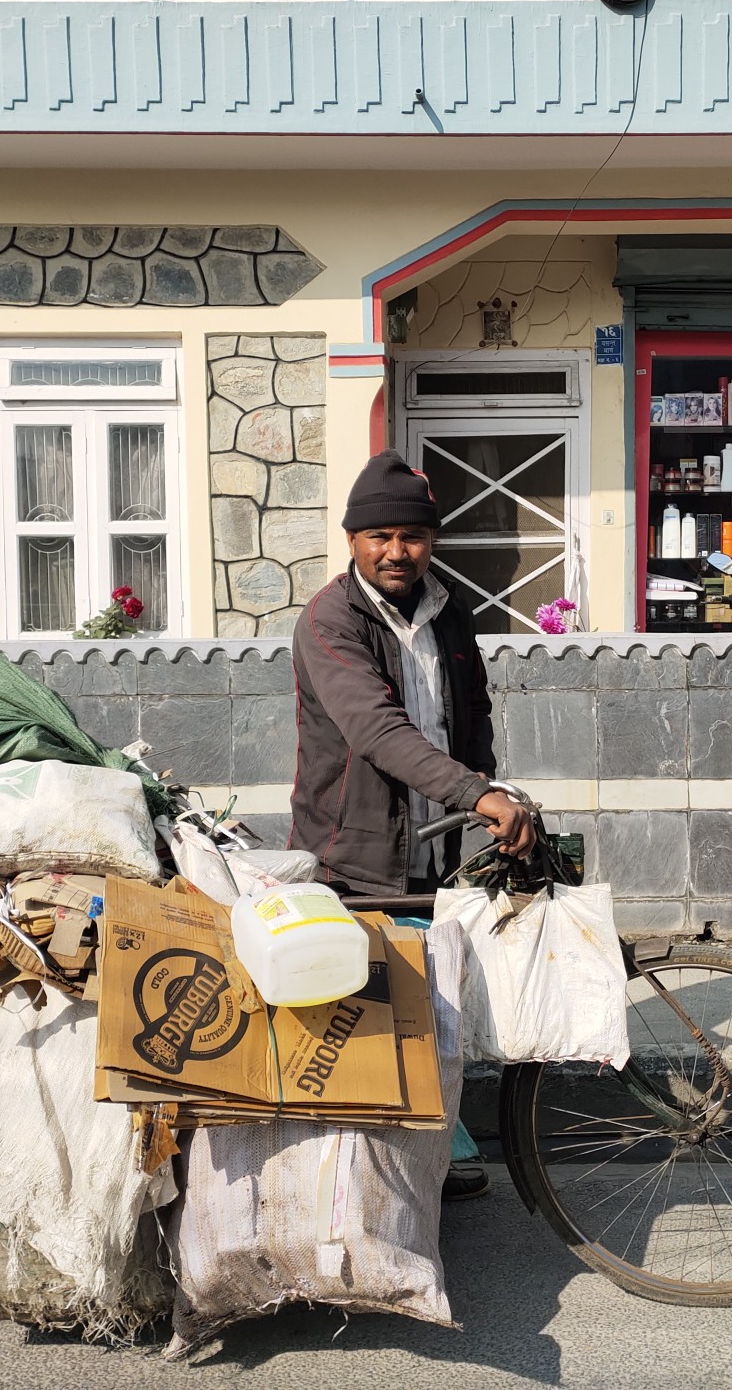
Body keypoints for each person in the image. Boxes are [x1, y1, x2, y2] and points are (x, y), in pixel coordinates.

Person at [290, 450, 537, 1201]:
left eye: (413, 537)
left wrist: (481, 788)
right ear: (353, 541)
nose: (397, 552)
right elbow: (377, 731)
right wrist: (479, 795)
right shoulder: (330, 620)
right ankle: (364, 1183)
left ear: (433, 542)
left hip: (433, 842)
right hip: (351, 851)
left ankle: (432, 1157)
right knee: (364, 1017)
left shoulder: (448, 609)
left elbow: (474, 712)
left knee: (426, 998)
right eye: (380, 537)